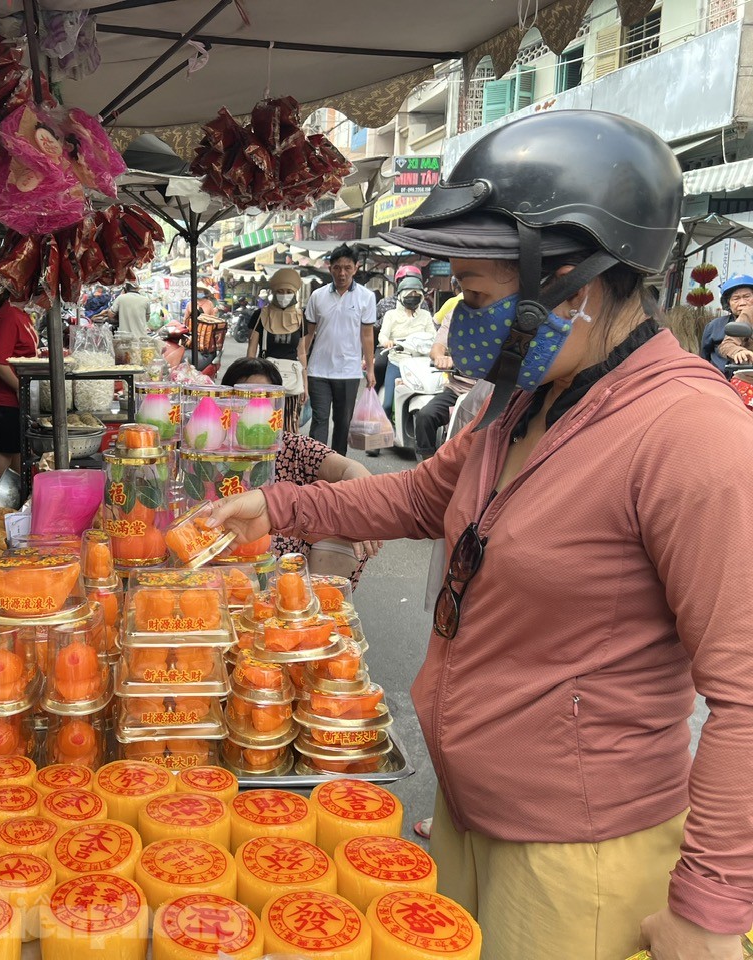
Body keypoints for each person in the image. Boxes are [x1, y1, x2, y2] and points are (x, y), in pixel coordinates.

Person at [205, 111, 753, 960]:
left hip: (579, 856)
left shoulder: (690, 434)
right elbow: (421, 497)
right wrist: (279, 508)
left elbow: (746, 692)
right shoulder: (529, 403)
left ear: (572, 283)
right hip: (471, 815)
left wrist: (709, 905)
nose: (463, 316)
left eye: (479, 294)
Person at [222, 358, 380, 566]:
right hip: (222, 560)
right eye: (246, 399)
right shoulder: (211, 453)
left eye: (265, 399)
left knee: (346, 520)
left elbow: (350, 468)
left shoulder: (293, 447)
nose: (256, 409)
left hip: (286, 574)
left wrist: (364, 508)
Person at [302, 244, 376, 454]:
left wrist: (369, 369)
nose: (342, 273)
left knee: (343, 422)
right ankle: (315, 465)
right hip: (318, 370)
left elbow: (367, 335)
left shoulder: (366, 297)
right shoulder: (317, 296)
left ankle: (337, 469)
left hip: (349, 371)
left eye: (347, 267)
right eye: (337, 268)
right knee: (320, 420)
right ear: (330, 268)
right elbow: (308, 334)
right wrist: (302, 367)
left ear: (356, 268)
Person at [0, 274, 39, 478]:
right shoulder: (9, 315)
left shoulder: (20, 313)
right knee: (6, 449)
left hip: (12, 394)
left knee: (17, 448)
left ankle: (19, 491)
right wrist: (19, 388)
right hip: (4, 397)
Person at [244, 267, 308, 431]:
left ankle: (288, 456)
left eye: (288, 291)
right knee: (262, 423)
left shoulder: (300, 317)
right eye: (280, 291)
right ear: (273, 292)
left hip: (292, 380)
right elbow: (251, 351)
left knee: (289, 425)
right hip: (265, 379)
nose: (284, 295)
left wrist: (305, 385)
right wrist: (247, 381)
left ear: (294, 293)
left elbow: (301, 353)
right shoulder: (261, 315)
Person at [413, 318, 478, 459]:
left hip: (492, 391)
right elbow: (438, 347)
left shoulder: (506, 315)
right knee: (425, 416)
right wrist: (440, 358)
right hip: (458, 390)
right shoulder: (457, 315)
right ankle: (428, 469)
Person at [378, 275, 436, 414]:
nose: (414, 296)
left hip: (420, 364)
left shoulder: (425, 315)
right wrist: (387, 342)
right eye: (410, 294)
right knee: (387, 405)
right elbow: (383, 334)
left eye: (417, 294)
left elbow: (433, 335)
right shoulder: (391, 315)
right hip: (397, 361)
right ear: (401, 295)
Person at [701, 276, 753, 373]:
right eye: (736, 298)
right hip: (721, 379)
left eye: (747, 297)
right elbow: (705, 355)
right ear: (728, 303)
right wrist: (738, 352)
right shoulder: (715, 326)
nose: (742, 303)